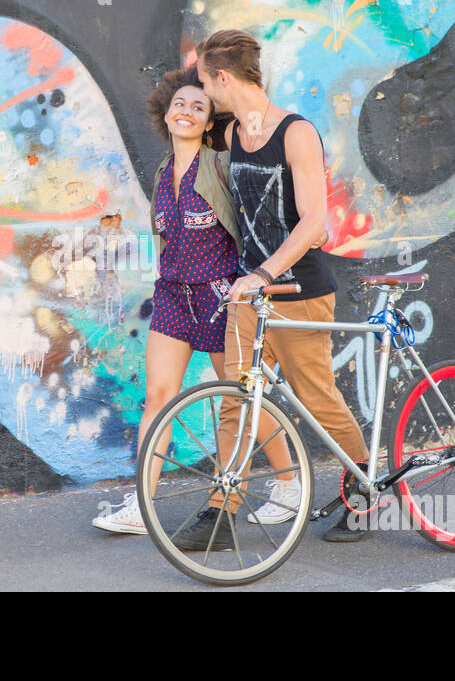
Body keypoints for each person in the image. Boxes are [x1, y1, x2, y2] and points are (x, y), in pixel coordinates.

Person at [170, 29, 372, 549]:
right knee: (237, 400)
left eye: (207, 85)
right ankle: (221, 513)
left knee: (316, 397)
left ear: (223, 77)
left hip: (299, 291)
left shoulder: (296, 132)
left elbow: (313, 224)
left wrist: (263, 273)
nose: (206, 95)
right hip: (250, 295)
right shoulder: (236, 133)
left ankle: (366, 491)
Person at [92, 67, 297, 533]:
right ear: (166, 115)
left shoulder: (221, 166)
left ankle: (289, 484)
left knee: (244, 395)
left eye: (197, 106)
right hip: (172, 295)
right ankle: (142, 507)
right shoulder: (164, 173)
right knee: (158, 398)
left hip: (221, 296)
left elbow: (257, 215)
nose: (186, 111)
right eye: (179, 104)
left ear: (209, 123)